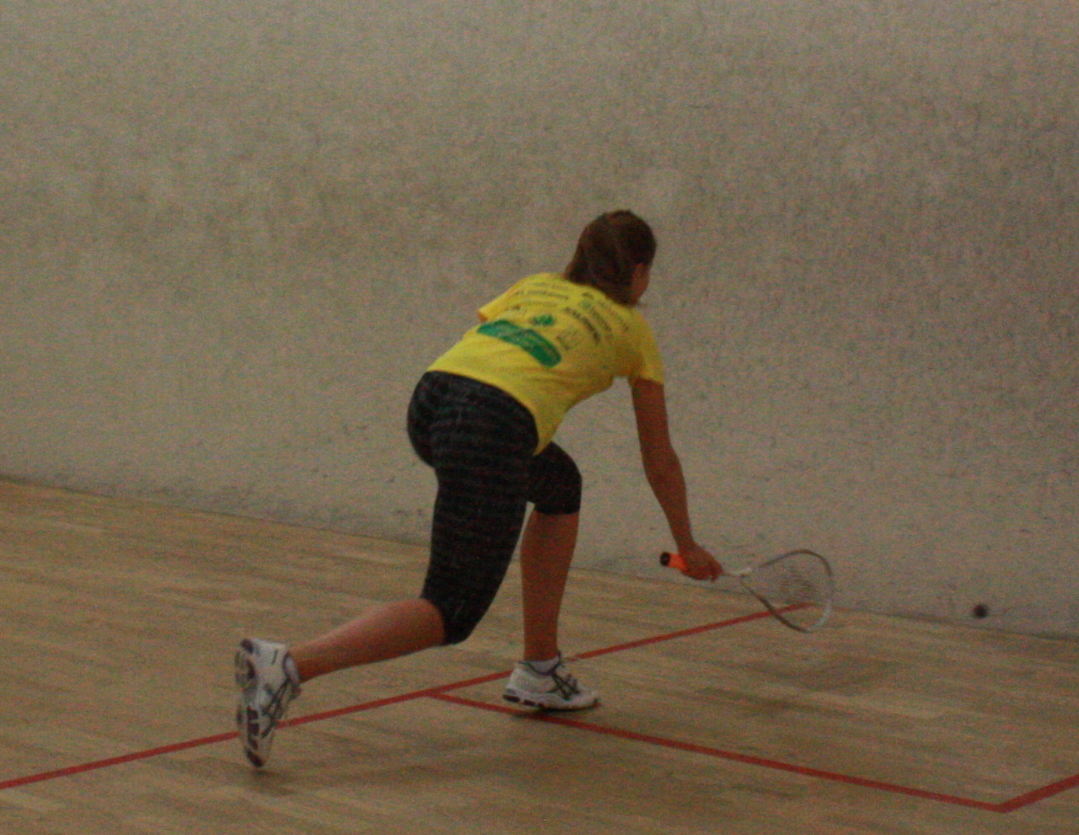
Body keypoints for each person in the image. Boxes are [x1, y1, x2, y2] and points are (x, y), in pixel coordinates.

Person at [233, 211, 723, 768]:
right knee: (450, 610)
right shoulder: (633, 330)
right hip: (491, 426)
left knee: (560, 487)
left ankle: (540, 670)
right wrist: (687, 543)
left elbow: (494, 346)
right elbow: (659, 460)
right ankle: (288, 666)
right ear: (638, 272)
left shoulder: (537, 286)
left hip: (432, 400)